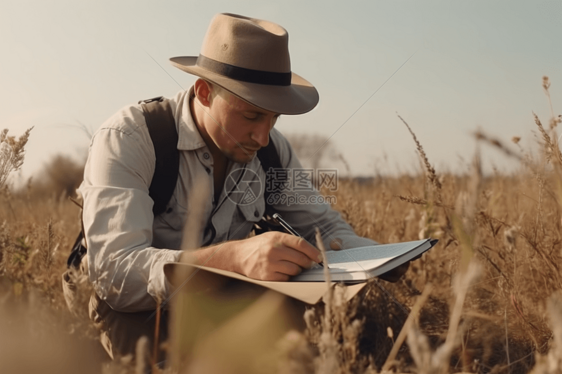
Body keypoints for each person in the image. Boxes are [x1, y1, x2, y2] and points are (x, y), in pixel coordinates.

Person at [77, 13, 408, 360]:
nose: (262, 137)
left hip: (215, 299)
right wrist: (233, 259)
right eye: (251, 116)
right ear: (204, 92)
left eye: (273, 118)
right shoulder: (130, 138)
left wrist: (371, 256)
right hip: (136, 311)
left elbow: (320, 223)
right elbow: (115, 276)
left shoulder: (272, 151)